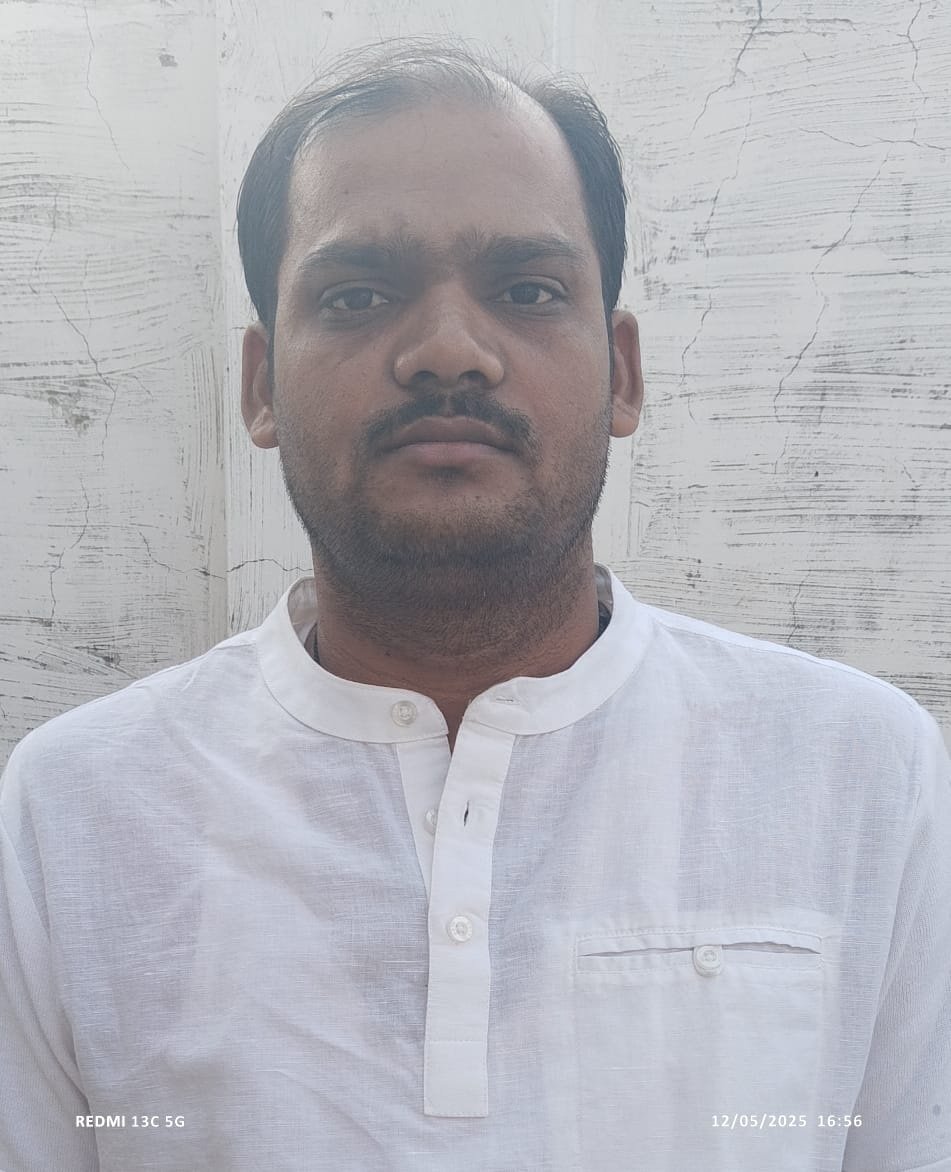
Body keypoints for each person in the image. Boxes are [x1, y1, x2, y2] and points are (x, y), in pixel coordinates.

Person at [1, 35, 949, 1172]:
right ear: (260, 387)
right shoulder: (73, 813)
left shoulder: (857, 774)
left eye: (527, 291)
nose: (449, 351)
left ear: (623, 373)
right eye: (358, 295)